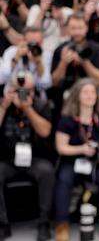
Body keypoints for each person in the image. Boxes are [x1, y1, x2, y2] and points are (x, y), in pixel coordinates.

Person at [54, 78, 99, 240]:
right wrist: (82, 149)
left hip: (96, 162)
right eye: (85, 92)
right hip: (72, 160)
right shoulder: (67, 119)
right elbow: (61, 147)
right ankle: (61, 225)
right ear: (77, 95)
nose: (90, 96)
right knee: (64, 178)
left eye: (93, 92)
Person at [0, 71, 54, 241]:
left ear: (34, 91)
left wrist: (28, 108)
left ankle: (44, 222)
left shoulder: (41, 105)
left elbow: (45, 131)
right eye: (19, 90)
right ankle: (2, 223)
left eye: (28, 91)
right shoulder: (4, 105)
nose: (23, 94)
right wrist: (3, 106)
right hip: (8, 159)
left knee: (47, 171)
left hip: (35, 159)